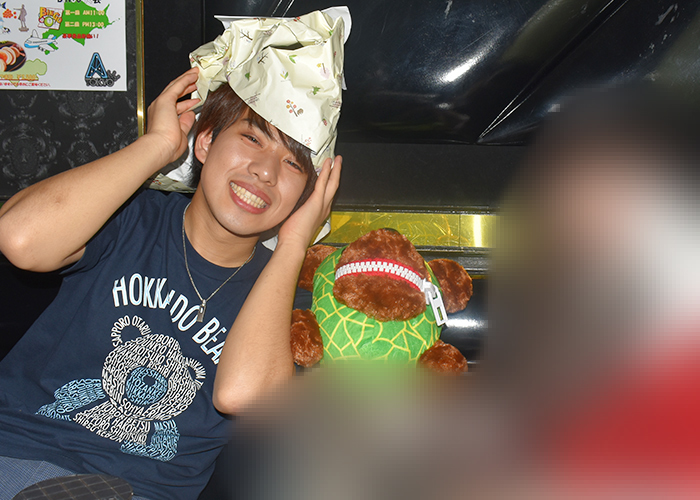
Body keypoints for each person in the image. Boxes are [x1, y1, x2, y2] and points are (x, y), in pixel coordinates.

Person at [0, 10, 346, 500]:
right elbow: (19, 239)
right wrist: (159, 144)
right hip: (17, 452)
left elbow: (242, 396)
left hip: (139, 490)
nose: (266, 172)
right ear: (205, 141)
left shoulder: (280, 292)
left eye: (293, 164)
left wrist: (293, 245)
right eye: (251, 138)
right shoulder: (129, 217)